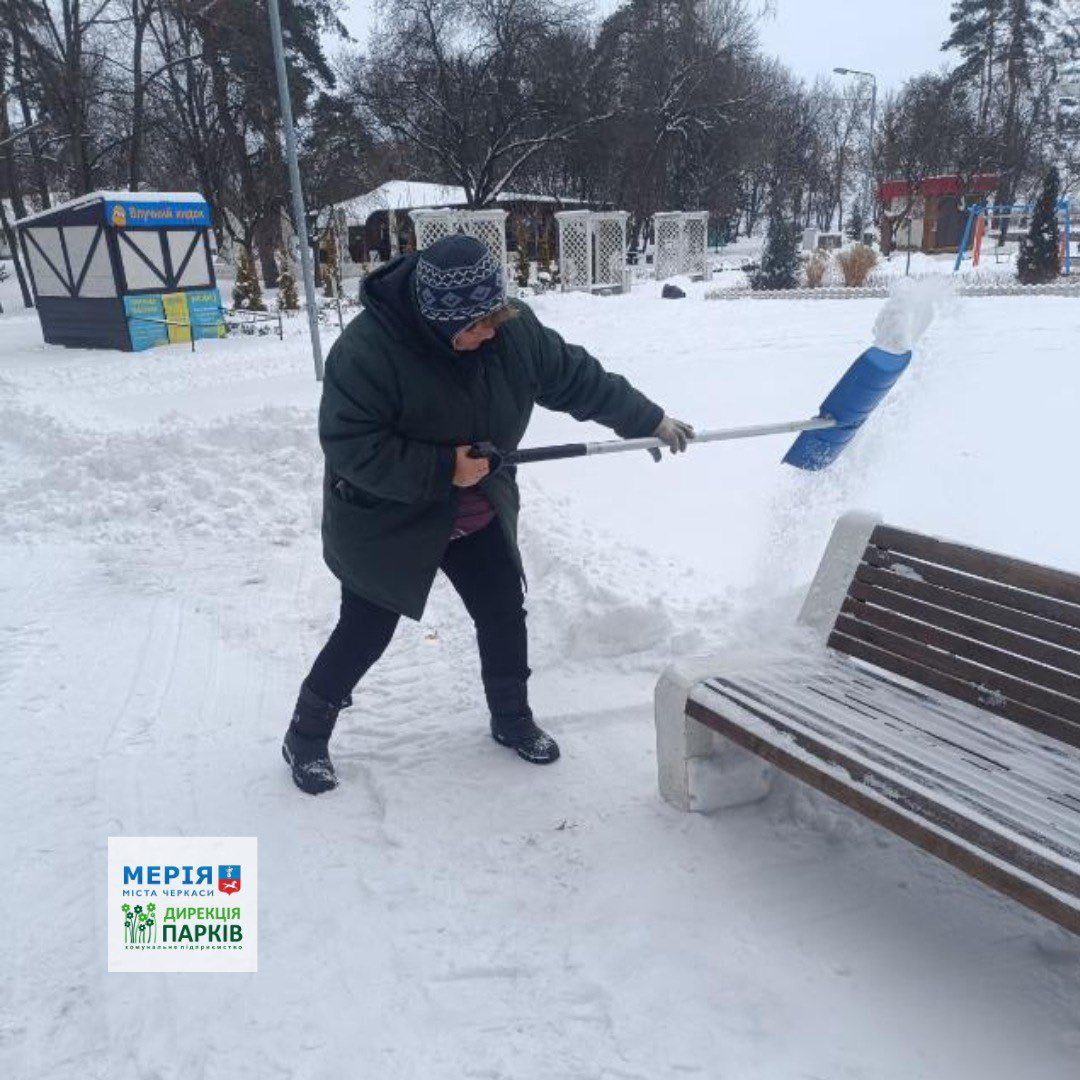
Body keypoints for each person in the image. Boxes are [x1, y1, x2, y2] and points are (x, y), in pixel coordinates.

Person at [283, 235, 694, 795]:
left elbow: (577, 377)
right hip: (389, 518)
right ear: (437, 320)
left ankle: (511, 718)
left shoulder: (510, 332)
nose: (489, 334)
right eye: (475, 327)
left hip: (476, 508)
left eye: (494, 320)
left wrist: (647, 418)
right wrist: (441, 468)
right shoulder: (367, 353)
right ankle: (304, 737)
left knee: (503, 611)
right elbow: (351, 448)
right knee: (365, 632)